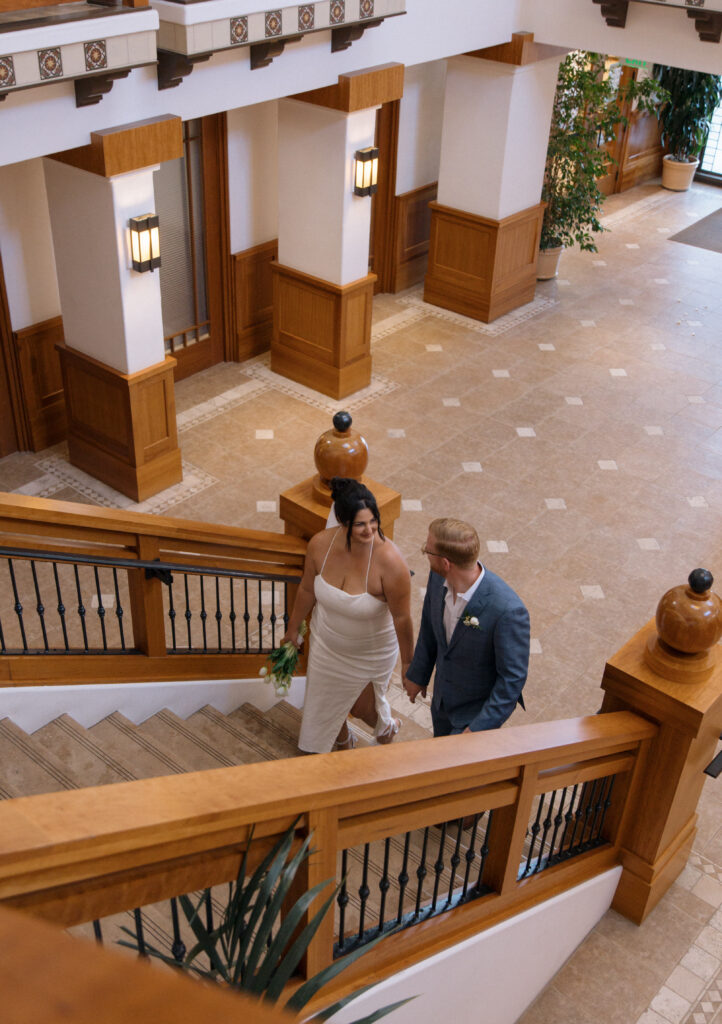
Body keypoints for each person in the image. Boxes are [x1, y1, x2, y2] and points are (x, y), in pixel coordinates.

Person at [283, 477, 414, 753]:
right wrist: (293, 628)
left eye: (373, 521)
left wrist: (407, 665)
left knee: (363, 708)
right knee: (326, 699)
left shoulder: (391, 563)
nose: (369, 530)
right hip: (326, 642)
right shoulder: (320, 545)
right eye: (360, 524)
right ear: (342, 523)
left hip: (368, 652)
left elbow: (402, 618)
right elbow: (307, 588)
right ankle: (342, 741)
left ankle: (386, 725)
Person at [404, 517, 529, 735]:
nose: (425, 553)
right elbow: (429, 626)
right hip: (442, 703)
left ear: (446, 563)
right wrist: (418, 675)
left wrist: (478, 727)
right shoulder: (437, 577)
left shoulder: (507, 611)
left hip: (474, 717)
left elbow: (512, 679)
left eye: (428, 550)